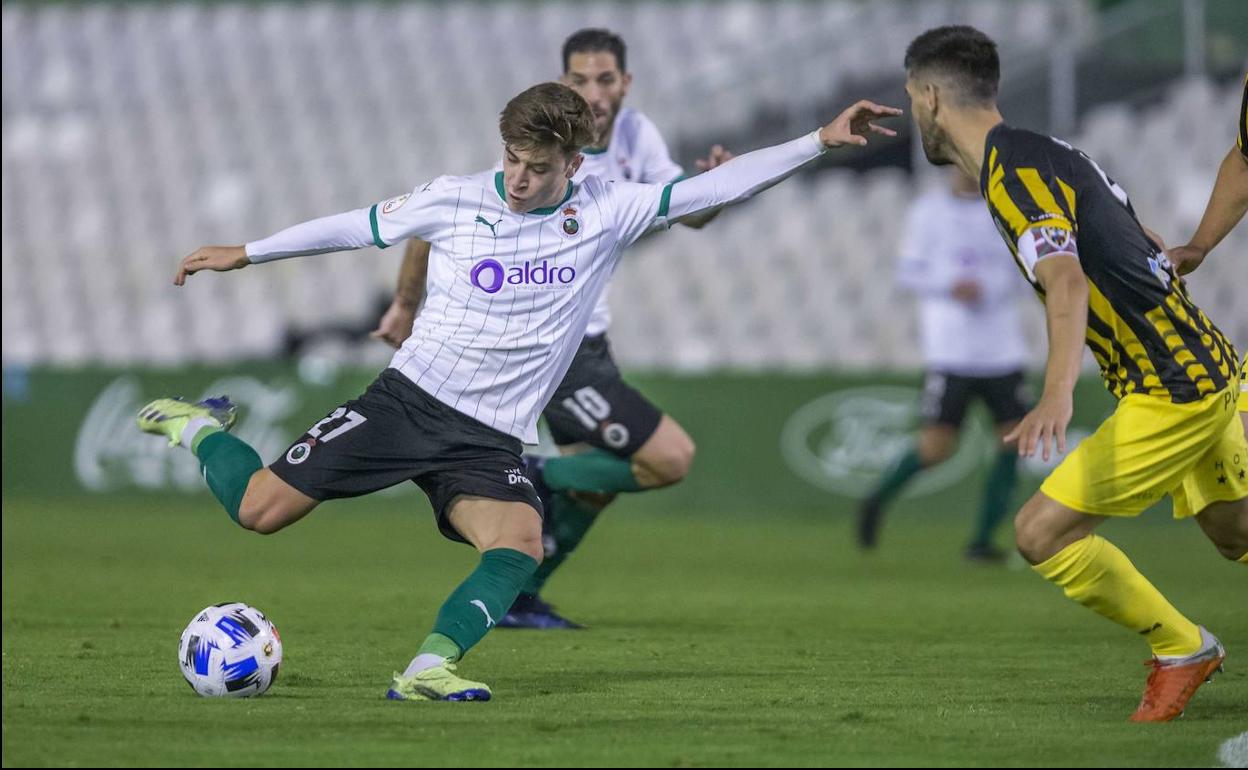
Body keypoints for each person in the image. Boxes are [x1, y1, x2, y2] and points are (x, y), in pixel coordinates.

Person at [139, 81, 901, 700]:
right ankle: (195, 425)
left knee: (518, 544)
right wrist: (247, 252)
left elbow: (718, 184)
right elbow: (356, 226)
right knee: (259, 511)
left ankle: (426, 670)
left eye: (537, 166)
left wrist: (818, 141)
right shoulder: (458, 197)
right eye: (511, 159)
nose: (519, 177)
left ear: (574, 161)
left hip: (490, 436)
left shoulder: (608, 207)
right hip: (406, 403)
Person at [903, 25, 1246, 722]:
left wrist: (1056, 393)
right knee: (1234, 530)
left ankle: (1183, 648)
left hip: (1172, 389)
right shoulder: (1046, 151)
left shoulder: (1011, 173)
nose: (914, 112)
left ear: (931, 98)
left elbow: (1067, 283)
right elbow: (1129, 236)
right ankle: (1186, 648)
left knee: (1039, 534)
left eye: (912, 97)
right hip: (1201, 363)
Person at [372, 29, 734, 629]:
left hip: (590, 342)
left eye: (604, 79)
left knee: (596, 482)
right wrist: (405, 305)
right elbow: (431, 223)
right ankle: (536, 473)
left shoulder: (639, 136)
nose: (592, 91)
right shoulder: (535, 154)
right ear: (564, 82)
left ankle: (520, 599)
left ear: (625, 83)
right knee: (669, 458)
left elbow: (687, 211)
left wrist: (714, 189)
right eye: (579, 80)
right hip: (555, 351)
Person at [858, 167, 1031, 562]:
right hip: (951, 349)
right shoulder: (928, 212)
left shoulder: (1005, 211)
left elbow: (1027, 273)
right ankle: (876, 498)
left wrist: (988, 287)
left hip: (1001, 348)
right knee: (936, 447)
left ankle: (982, 540)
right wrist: (949, 283)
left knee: (1013, 439)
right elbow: (907, 272)